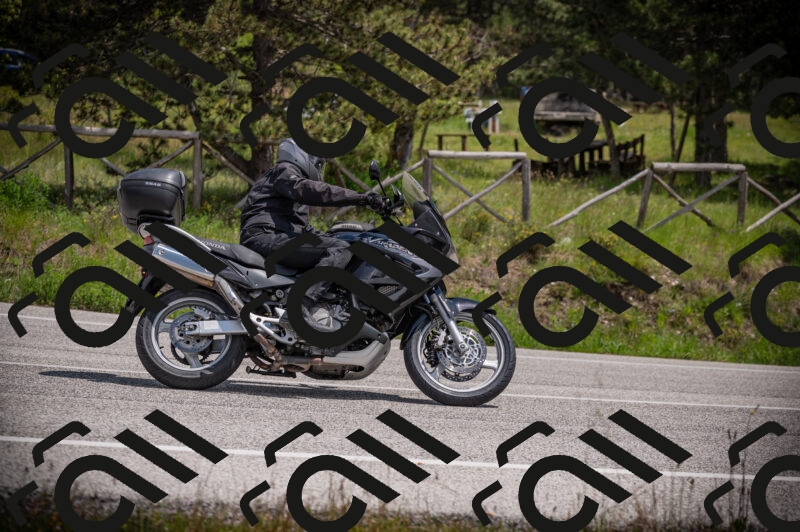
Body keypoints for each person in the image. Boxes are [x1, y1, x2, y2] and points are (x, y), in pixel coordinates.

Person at [240, 138, 387, 331]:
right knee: (340, 249)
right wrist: (361, 198)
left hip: (275, 236)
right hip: (264, 235)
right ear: (299, 154)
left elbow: (302, 229)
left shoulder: (290, 188)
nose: (318, 167)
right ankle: (299, 306)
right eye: (316, 162)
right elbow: (314, 191)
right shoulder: (285, 171)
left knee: (341, 246)